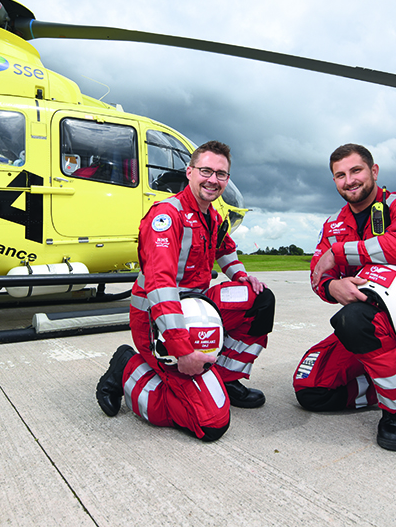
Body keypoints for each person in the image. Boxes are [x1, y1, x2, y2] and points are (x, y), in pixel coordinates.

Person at [95, 140, 275, 441]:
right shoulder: (168, 216)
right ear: (189, 172)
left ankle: (227, 379)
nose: (212, 179)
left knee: (260, 300)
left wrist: (243, 276)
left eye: (221, 174)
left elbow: (225, 249)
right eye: (206, 170)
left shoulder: (212, 216)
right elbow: (160, 285)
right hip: (158, 319)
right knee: (209, 424)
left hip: (196, 307)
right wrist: (182, 350)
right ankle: (127, 367)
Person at [295, 144, 396, 452]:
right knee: (311, 391)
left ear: (373, 171)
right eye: (340, 175)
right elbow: (317, 273)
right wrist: (332, 288)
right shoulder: (334, 223)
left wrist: (339, 253)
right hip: (362, 329)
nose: (349, 181)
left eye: (356, 171)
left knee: (353, 319)